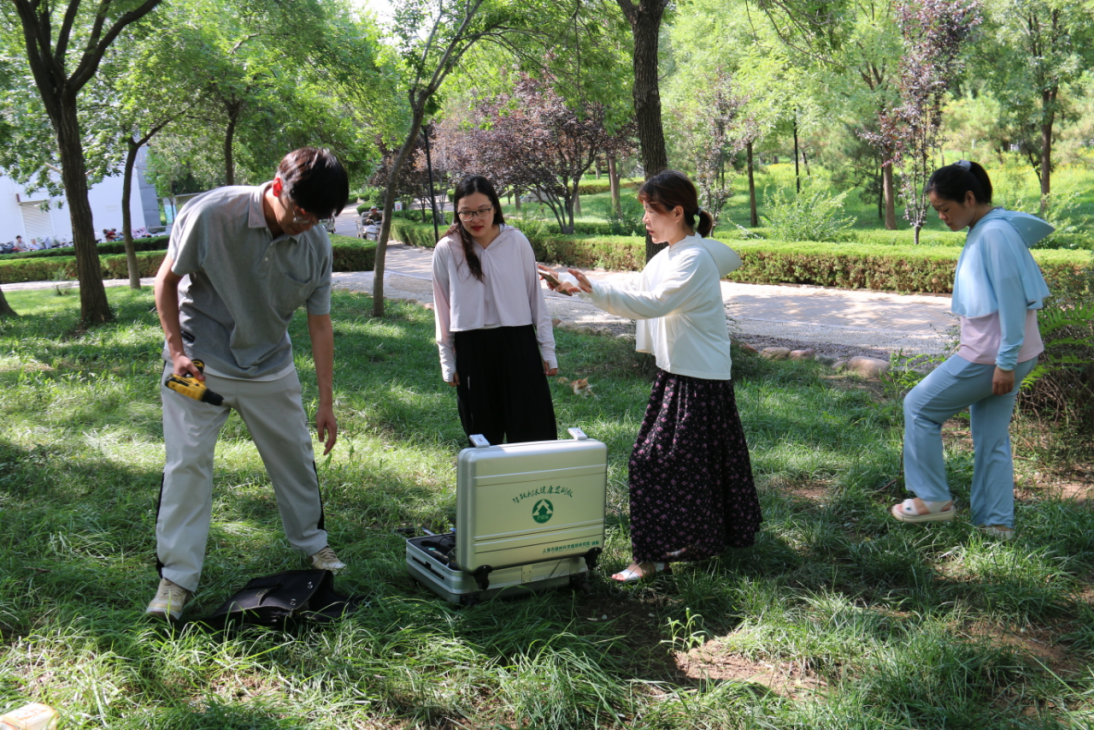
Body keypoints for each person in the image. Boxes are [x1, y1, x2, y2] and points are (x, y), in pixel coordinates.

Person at [148, 147, 349, 621]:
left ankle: (314, 545)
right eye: (302, 212)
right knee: (187, 465)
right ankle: (175, 582)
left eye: (320, 218)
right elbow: (165, 280)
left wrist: (326, 401)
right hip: (198, 364)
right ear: (277, 187)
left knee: (295, 456)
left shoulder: (316, 241)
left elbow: (319, 324)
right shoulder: (212, 213)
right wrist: (176, 351)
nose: (307, 224)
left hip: (268, 364)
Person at [543, 170, 762, 582]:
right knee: (692, 467)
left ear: (677, 212)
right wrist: (574, 282)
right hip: (681, 374)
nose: (644, 220)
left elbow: (651, 302)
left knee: (652, 462)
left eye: (650, 210)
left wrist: (590, 291)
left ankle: (652, 558)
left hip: (698, 379)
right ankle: (688, 545)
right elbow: (635, 285)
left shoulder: (694, 259)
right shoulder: (671, 255)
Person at [893, 160, 1051, 540]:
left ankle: (933, 499)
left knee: (919, 407)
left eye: (945, 209)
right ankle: (997, 524)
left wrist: (1005, 362)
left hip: (991, 356)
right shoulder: (992, 226)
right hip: (1012, 354)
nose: (942, 217)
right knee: (992, 437)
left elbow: (1013, 301)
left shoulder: (993, 234)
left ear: (968, 197)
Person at [431, 175, 558, 446]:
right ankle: (492, 488)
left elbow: (535, 299)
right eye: (466, 212)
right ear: (457, 212)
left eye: (483, 210)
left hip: (518, 344)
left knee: (532, 431)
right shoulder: (447, 249)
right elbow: (442, 306)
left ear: (495, 208)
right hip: (472, 348)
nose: (475, 218)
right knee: (483, 438)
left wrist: (547, 349)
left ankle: (534, 486)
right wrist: (447, 360)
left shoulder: (516, 241)